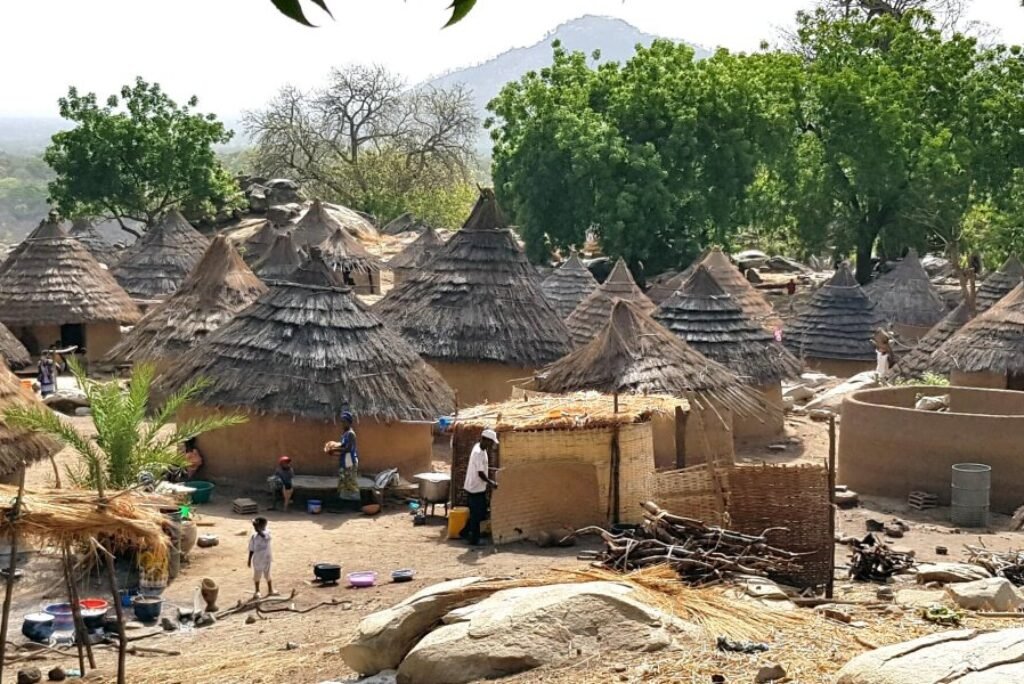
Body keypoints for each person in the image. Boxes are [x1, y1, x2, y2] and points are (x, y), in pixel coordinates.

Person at [460, 428, 499, 546]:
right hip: (474, 487)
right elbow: (480, 473)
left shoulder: (481, 448)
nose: (492, 444)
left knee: (479, 512)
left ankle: (465, 532)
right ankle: (474, 540)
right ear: (485, 440)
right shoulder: (478, 453)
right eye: (491, 442)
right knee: (476, 515)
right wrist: (491, 483)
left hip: (478, 487)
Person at [247, 517, 275, 598]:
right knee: (257, 575)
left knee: (268, 575)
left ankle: (270, 590)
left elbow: (263, 536)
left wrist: (256, 527)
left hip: (266, 558)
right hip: (257, 559)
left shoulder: (267, 532)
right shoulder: (253, 536)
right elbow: (251, 549)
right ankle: (257, 591)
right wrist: (249, 560)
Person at [337, 411, 359, 495]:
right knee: (344, 481)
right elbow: (342, 446)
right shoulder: (345, 434)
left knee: (350, 482)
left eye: (344, 422)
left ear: (349, 423)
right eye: (342, 422)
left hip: (349, 459)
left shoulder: (350, 434)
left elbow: (348, 449)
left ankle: (355, 502)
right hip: (345, 459)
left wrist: (335, 450)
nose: (342, 424)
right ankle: (345, 502)